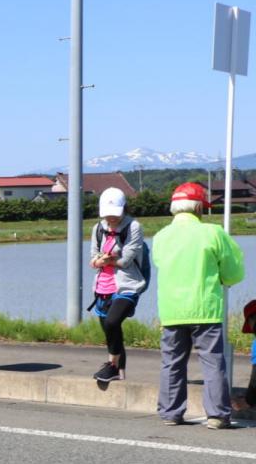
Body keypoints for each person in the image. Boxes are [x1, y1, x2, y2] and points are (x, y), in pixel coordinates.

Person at [151, 181, 245, 429]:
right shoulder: (212, 233)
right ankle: (216, 415)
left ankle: (171, 413)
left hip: (172, 310)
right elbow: (234, 272)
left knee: (172, 362)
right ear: (200, 209)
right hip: (205, 307)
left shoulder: (161, 237)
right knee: (213, 362)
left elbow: (160, 264)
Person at [88, 187, 146, 382]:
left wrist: (106, 260)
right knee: (111, 332)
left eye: (115, 214)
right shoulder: (98, 228)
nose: (111, 219)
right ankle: (120, 375)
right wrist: (105, 260)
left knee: (113, 322)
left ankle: (111, 365)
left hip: (127, 285)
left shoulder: (133, 227)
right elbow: (93, 260)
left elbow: (126, 260)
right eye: (107, 215)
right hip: (102, 287)